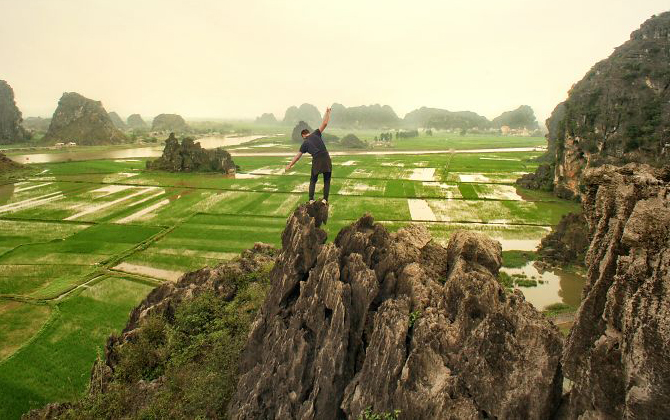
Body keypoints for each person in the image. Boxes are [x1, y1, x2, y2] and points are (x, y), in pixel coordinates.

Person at [285, 107, 333, 203]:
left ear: (303, 136)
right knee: (326, 180)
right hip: (326, 157)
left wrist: (290, 165)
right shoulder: (316, 133)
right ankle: (325, 200)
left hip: (317, 159)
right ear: (309, 133)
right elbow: (325, 123)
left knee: (313, 180)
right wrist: (328, 112)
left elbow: (298, 156)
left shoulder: (305, 143)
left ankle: (311, 199)